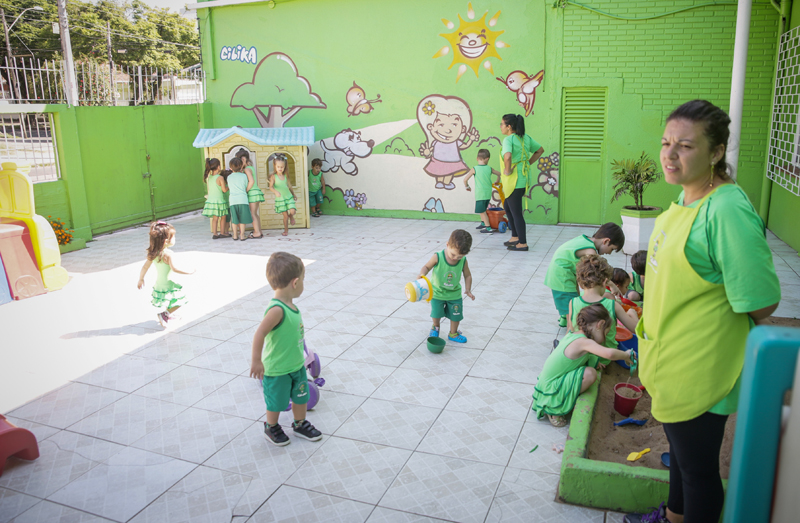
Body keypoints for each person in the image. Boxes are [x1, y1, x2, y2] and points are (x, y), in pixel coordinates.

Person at [624, 100, 781, 523]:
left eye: (686, 146)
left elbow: (761, 300)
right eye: (666, 143)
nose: (670, 154)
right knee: (681, 456)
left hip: (701, 367)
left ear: (716, 152)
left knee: (698, 471)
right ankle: (672, 517)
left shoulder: (726, 209)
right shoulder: (688, 197)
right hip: (671, 358)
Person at [249, 252, 323, 446]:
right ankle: (271, 426)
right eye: (303, 280)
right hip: (278, 369)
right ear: (295, 282)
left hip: (296, 365)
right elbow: (259, 334)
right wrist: (256, 360)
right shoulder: (277, 310)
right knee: (276, 402)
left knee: (301, 397)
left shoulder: (290, 306)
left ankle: (300, 423)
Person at [532, 304, 632, 427]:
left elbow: (580, 357)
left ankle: (561, 399)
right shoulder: (584, 342)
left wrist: (596, 362)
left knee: (590, 369)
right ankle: (554, 409)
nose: (605, 337)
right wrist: (626, 355)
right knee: (590, 374)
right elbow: (609, 354)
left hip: (546, 384)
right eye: (606, 332)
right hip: (551, 390)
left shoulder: (574, 334)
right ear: (600, 325)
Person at [544, 222, 625, 327]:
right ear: (606, 241)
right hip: (562, 277)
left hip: (561, 274)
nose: (609, 253)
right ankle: (571, 330)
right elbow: (598, 272)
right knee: (571, 308)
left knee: (573, 300)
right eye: (612, 249)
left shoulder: (584, 239)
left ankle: (565, 319)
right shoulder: (590, 250)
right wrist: (612, 285)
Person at [567, 255, 639, 364]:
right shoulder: (612, 305)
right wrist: (633, 314)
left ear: (580, 284)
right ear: (605, 282)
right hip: (606, 358)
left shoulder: (573, 302)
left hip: (583, 359)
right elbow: (636, 329)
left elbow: (572, 330)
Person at [418, 229, 475, 343]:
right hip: (437, 293)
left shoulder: (463, 260)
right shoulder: (438, 256)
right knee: (436, 313)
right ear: (447, 245)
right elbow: (426, 267)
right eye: (453, 254)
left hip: (454, 294)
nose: (455, 258)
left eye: (459, 256)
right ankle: (435, 327)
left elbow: (467, 275)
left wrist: (468, 289)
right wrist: (422, 274)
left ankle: (453, 333)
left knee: (456, 315)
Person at [499, 113, 544, 252]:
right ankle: (515, 237)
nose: (500, 127)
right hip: (524, 179)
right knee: (508, 206)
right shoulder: (526, 138)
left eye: (502, 124)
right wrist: (527, 163)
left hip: (514, 180)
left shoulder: (508, 139)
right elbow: (540, 150)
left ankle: (522, 243)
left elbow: (507, 156)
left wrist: (507, 170)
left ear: (509, 126)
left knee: (516, 212)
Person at [137, 221, 194, 327]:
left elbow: (145, 267)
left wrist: (141, 279)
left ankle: (167, 314)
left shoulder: (154, 253)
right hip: (169, 283)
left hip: (159, 283)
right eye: (173, 236)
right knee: (181, 300)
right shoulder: (168, 254)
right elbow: (174, 268)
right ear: (166, 240)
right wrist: (189, 272)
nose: (175, 238)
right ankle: (165, 314)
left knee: (171, 299)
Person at [463, 148, 501, 233]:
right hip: (487, 193)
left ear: (477, 158)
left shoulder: (475, 169)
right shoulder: (490, 168)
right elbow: (499, 174)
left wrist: (467, 187)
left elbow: (465, 180)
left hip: (480, 194)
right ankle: (483, 223)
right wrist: (498, 180)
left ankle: (488, 228)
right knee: (483, 209)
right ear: (487, 159)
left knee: (482, 211)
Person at [236, 149, 264, 239]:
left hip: (252, 193)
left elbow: (251, 181)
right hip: (256, 192)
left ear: (243, 159)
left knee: (252, 214)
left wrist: (245, 190)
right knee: (255, 214)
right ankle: (259, 231)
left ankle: (257, 232)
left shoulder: (247, 169)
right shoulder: (250, 168)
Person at [269, 154, 298, 236]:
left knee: (293, 211)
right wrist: (275, 191)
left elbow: (289, 186)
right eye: (278, 167)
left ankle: (291, 216)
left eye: (282, 167)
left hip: (288, 196)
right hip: (280, 198)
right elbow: (271, 187)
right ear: (275, 166)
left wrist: (293, 194)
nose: (280, 168)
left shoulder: (285, 175)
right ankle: (286, 231)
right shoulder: (273, 176)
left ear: (284, 166)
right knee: (285, 216)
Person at [201, 158, 229, 239]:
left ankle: (215, 234)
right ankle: (223, 233)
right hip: (220, 200)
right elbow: (224, 190)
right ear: (218, 166)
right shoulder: (220, 177)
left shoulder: (209, 177)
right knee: (223, 217)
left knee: (215, 218)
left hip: (212, 200)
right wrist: (229, 186)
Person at [226, 157, 253, 241]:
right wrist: (245, 190)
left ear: (231, 168)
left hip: (233, 201)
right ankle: (242, 235)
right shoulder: (244, 176)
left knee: (234, 219)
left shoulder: (229, 177)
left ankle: (235, 235)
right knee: (242, 219)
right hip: (243, 199)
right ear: (241, 167)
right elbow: (246, 185)